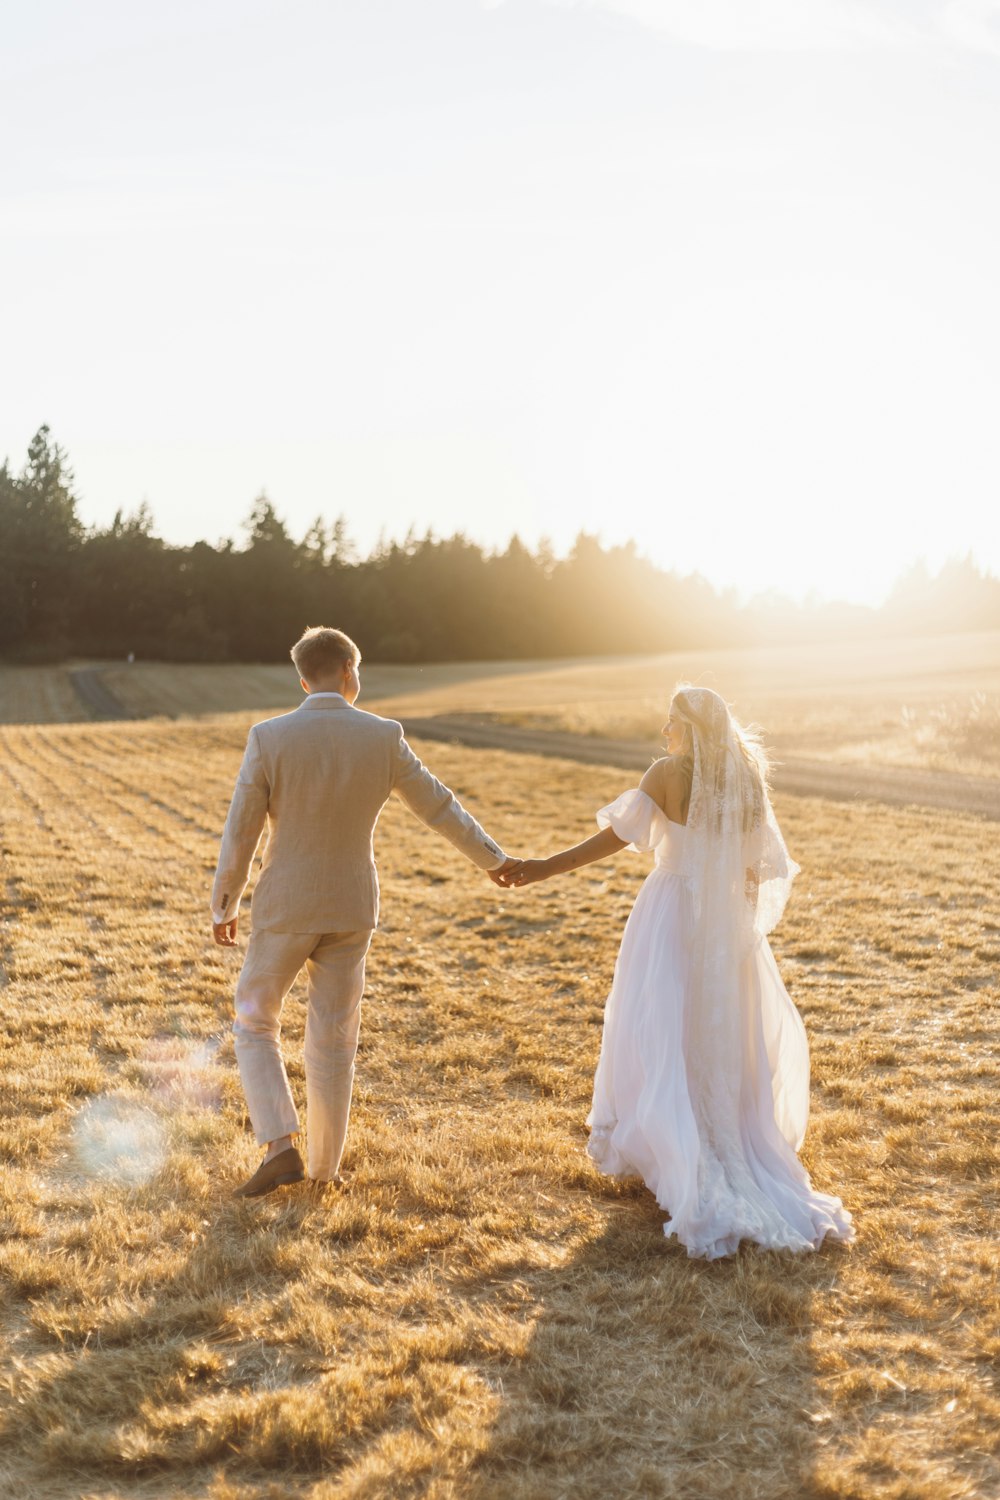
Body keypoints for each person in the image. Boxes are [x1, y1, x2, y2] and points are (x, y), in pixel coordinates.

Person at [500, 685, 854, 1259]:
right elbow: (756, 870)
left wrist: (542, 868)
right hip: (722, 923)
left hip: (669, 913)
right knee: (717, 1035)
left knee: (657, 1025)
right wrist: (734, 927)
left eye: (671, 723)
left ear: (689, 728)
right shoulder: (747, 781)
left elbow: (614, 840)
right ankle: (710, 1139)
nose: (664, 733)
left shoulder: (667, 772)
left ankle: (675, 1149)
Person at [211, 626, 517, 1199]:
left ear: (304, 678)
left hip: (285, 905)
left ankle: (279, 1146)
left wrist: (225, 900)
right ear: (351, 671)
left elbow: (241, 829)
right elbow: (440, 807)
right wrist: (493, 860)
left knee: (255, 1022)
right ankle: (326, 1169)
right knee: (334, 1040)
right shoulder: (384, 736)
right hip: (353, 906)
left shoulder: (269, 736)